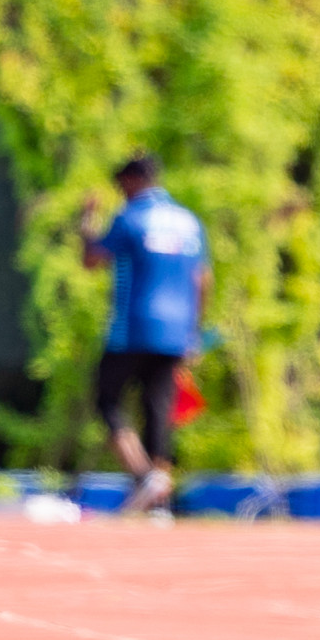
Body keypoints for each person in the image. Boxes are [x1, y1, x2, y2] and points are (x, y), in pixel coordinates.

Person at [81, 154, 211, 514]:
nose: (121, 191)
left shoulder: (131, 217)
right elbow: (203, 279)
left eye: (122, 183)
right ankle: (159, 504)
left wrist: (87, 222)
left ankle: (144, 478)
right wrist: (193, 332)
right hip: (177, 333)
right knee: (158, 409)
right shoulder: (189, 221)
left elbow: (92, 260)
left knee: (107, 400)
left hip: (132, 327)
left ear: (134, 179)